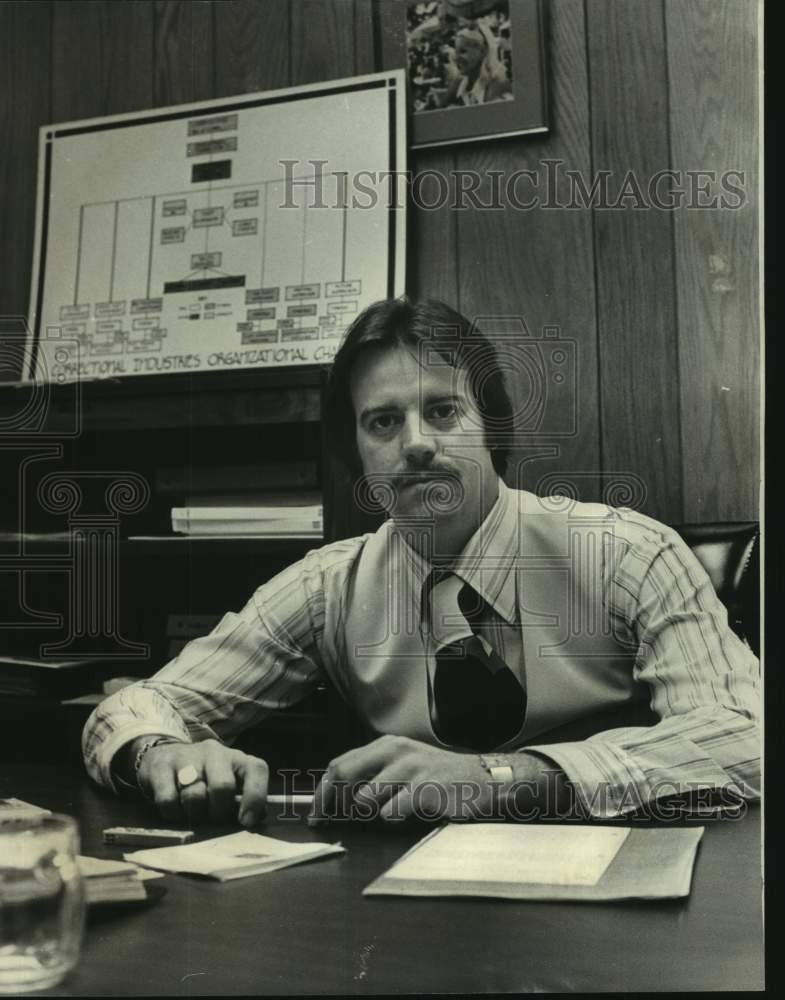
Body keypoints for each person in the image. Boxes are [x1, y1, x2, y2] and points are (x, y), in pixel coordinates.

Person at [82, 298, 760, 828]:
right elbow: (141, 706)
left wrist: (511, 780)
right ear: (358, 454)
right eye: (382, 422)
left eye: (442, 411)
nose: (414, 445)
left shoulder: (626, 554)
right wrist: (161, 754)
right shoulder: (329, 587)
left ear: (491, 430)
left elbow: (746, 738)